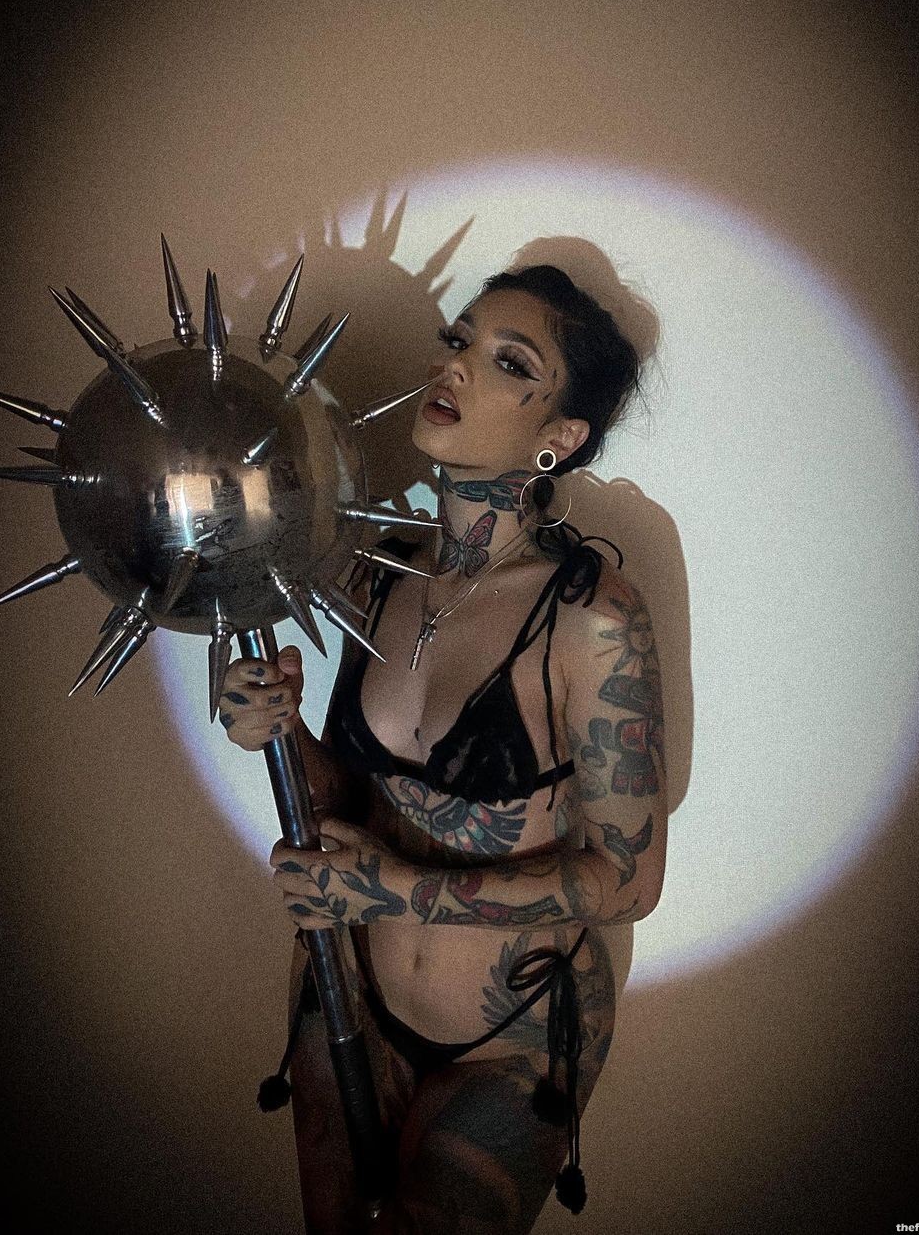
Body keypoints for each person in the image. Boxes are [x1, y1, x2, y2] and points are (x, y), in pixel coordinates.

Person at [219, 264, 667, 1234]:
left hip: (512, 1041)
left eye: (509, 361)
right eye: (459, 338)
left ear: (560, 438)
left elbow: (628, 880)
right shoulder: (378, 571)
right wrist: (277, 728)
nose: (455, 364)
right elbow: (350, 802)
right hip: (349, 993)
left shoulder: (589, 617)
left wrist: (392, 890)